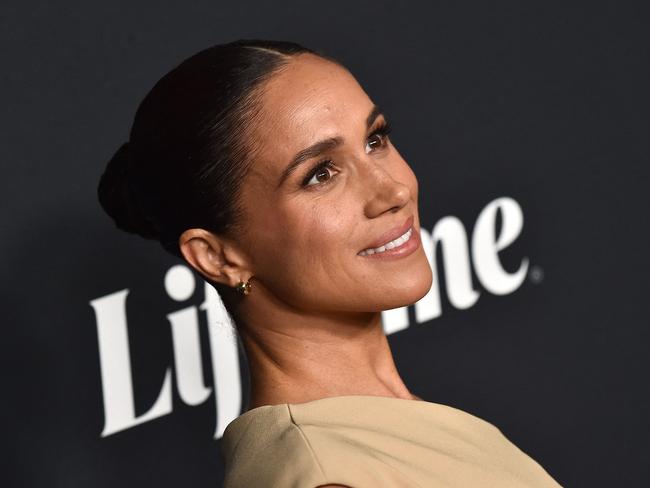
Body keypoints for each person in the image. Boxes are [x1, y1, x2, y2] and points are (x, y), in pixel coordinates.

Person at [97, 39, 563, 488]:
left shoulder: (386, 432)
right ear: (218, 257)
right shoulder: (326, 473)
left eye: (375, 140)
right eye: (320, 174)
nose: (394, 191)